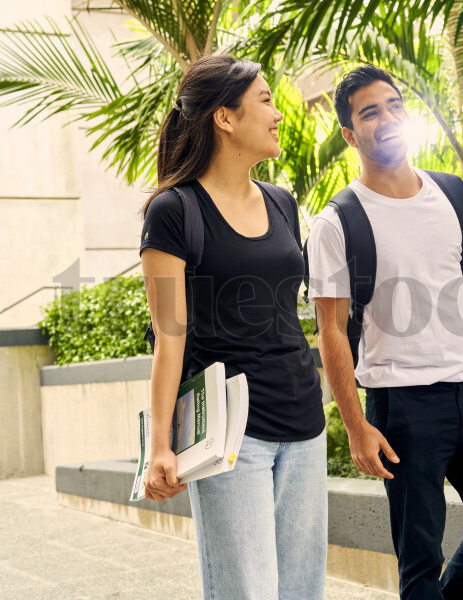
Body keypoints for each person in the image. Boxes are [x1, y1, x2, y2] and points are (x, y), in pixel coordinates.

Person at [307, 64, 463, 600]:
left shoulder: (451, 194)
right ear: (349, 134)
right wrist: (356, 424)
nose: (386, 118)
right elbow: (331, 332)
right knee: (419, 560)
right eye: (369, 112)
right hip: (402, 405)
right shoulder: (337, 222)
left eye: (393, 106)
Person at [138, 55, 327, 600]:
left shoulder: (281, 202)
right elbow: (168, 340)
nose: (276, 113)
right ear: (224, 117)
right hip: (230, 437)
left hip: (303, 423)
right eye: (264, 100)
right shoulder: (173, 212)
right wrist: (159, 447)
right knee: (247, 592)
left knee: (301, 590)